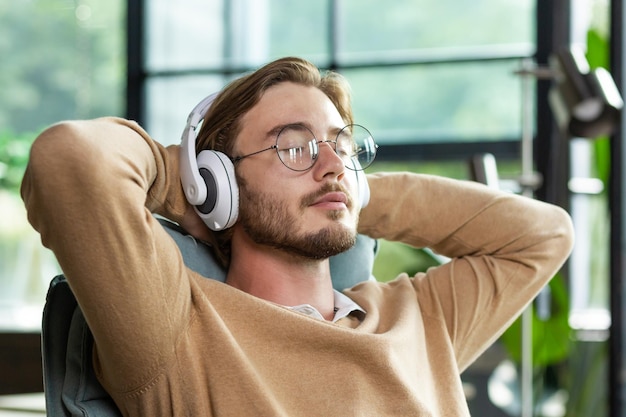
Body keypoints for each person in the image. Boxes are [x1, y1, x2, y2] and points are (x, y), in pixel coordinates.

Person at [21, 56, 574, 416]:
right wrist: (180, 178)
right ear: (220, 183)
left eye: (343, 145)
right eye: (294, 145)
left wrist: (355, 191)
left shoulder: (420, 317)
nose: (332, 163)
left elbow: (544, 233)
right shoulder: (176, 326)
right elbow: (67, 161)